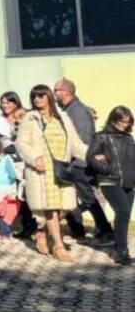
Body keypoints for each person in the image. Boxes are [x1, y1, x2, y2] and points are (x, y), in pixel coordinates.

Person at [16, 84, 87, 263]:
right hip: (42, 171)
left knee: (66, 206)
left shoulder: (63, 117)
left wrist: (94, 156)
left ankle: (41, 231)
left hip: (61, 168)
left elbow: (76, 144)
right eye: (34, 96)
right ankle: (58, 245)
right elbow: (21, 143)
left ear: (49, 97)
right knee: (50, 207)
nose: (36, 99)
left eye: (40, 95)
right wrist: (34, 158)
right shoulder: (29, 118)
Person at [53, 78, 115, 244]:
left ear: (66, 92)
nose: (54, 95)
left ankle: (106, 231)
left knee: (87, 199)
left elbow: (82, 139)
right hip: (75, 162)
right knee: (77, 196)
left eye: (56, 91)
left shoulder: (77, 112)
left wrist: (75, 159)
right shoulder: (71, 110)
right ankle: (79, 230)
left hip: (80, 163)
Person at [87, 106, 135, 266]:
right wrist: (107, 169)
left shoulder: (129, 138)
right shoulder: (101, 137)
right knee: (123, 211)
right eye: (121, 121)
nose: (124, 125)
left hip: (129, 181)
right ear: (113, 120)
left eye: (127, 122)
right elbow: (91, 157)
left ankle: (119, 246)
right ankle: (121, 251)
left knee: (124, 216)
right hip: (110, 181)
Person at [0, 91, 39, 238]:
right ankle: (26, 224)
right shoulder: (2, 120)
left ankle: (33, 225)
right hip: (11, 160)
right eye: (2, 103)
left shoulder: (26, 116)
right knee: (18, 194)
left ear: (16, 103)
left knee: (27, 193)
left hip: (25, 159)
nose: (5, 105)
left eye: (8, 102)